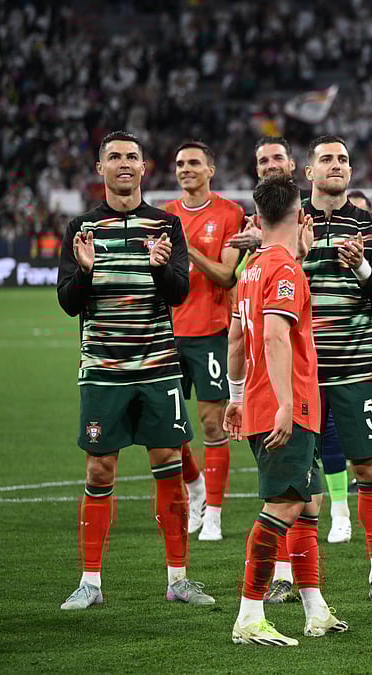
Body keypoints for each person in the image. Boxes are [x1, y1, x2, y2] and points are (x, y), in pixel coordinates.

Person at [57, 131, 213, 609]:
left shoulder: (165, 226)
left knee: (167, 464)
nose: (124, 164)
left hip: (158, 367)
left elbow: (178, 294)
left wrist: (158, 268)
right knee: (100, 469)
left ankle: (178, 579)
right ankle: (90, 583)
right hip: (103, 368)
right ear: (100, 168)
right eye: (114, 157)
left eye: (132, 157)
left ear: (144, 168)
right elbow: (67, 302)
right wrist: (84, 271)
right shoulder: (81, 228)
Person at [226, 175, 347, 646]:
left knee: (310, 503)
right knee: (284, 504)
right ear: (301, 217)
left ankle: (315, 610)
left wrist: (237, 396)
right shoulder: (285, 272)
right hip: (286, 405)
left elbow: (237, 339)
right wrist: (281, 405)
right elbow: (276, 336)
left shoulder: (251, 270)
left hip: (265, 400)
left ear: (257, 220)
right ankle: (249, 614)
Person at [300, 135, 372, 603]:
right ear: (310, 172)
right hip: (299, 370)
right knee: (297, 476)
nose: (337, 165)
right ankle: (291, 576)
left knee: (368, 467)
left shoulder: (371, 226)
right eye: (327, 159)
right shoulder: (287, 219)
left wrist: (362, 266)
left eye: (343, 158)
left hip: (355, 368)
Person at [162, 140, 243, 540]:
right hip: (167, 333)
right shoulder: (164, 215)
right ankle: (195, 488)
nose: (185, 169)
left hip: (211, 331)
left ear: (210, 169)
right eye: (180, 163)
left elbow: (227, 276)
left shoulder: (230, 214)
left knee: (212, 425)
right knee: (169, 429)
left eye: (194, 162)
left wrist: (186, 248)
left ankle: (213, 513)